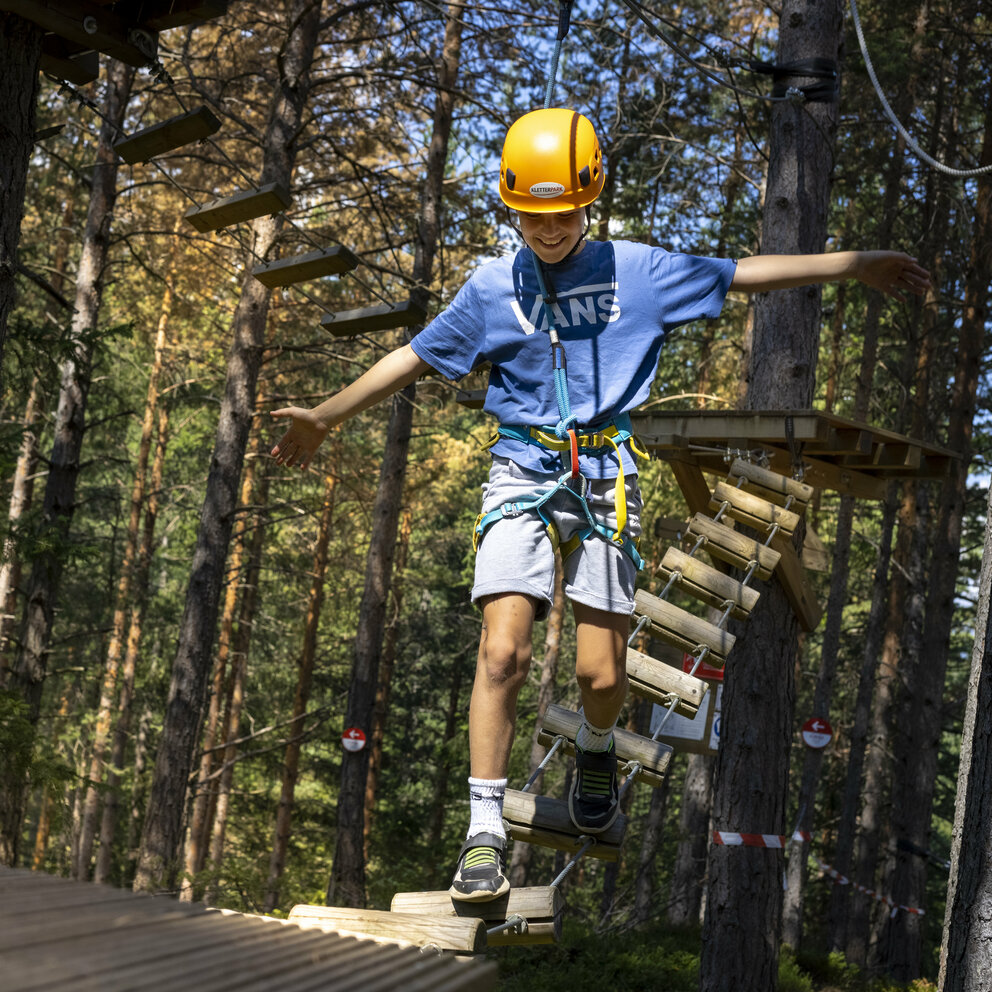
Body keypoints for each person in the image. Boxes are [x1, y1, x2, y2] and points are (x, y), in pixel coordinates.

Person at [271, 108, 930, 903]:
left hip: (606, 473)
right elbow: (412, 356)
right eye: (531, 216)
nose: (547, 230)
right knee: (502, 653)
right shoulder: (491, 287)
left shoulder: (639, 273)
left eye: (563, 214)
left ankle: (594, 742)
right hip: (522, 467)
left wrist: (854, 264)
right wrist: (326, 415)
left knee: (600, 672)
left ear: (592, 201)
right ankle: (483, 833)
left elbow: (745, 272)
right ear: (510, 206)